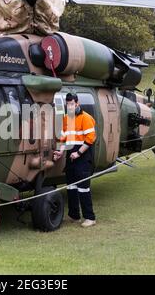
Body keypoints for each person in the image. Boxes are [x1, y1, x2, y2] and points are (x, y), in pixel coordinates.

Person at [53, 93, 97, 228]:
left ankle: (90, 218)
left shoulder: (86, 118)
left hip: (83, 157)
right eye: (68, 104)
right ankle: (74, 215)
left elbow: (90, 139)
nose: (70, 106)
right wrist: (60, 152)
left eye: (72, 104)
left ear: (77, 103)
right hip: (71, 156)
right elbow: (63, 138)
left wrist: (78, 153)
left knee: (83, 188)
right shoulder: (67, 119)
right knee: (71, 187)